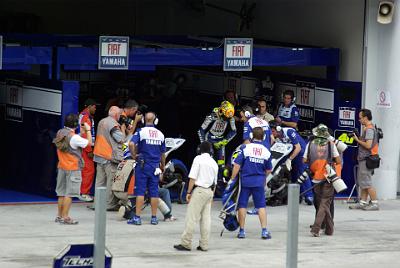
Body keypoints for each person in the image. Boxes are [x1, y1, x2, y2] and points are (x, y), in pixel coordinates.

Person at [228, 127, 273, 239]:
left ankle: (242, 231)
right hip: (258, 182)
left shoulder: (245, 148)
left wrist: (232, 179)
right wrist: (263, 177)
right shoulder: (266, 151)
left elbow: (237, 165)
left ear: (251, 136)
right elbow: (269, 170)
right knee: (261, 206)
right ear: (263, 137)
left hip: (245, 182)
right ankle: (264, 231)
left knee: (242, 205)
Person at [174, 141, 218, 251]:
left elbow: (193, 177)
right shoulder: (214, 163)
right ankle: (204, 244)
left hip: (199, 191)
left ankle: (186, 243)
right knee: (206, 219)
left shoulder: (198, 159)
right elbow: (215, 182)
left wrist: (188, 192)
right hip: (209, 192)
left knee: (191, 217)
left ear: (200, 150)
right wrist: (212, 196)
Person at [127, 112, 166, 225]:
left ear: (143, 120)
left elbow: (131, 144)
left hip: (143, 166)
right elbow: (162, 153)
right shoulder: (160, 134)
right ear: (155, 120)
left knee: (140, 192)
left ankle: (137, 218)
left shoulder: (141, 132)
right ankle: (154, 218)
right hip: (155, 167)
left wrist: (134, 156)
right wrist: (162, 166)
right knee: (154, 193)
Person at [53, 113, 92, 224]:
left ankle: (59, 216)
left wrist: (81, 133)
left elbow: (71, 141)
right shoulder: (74, 137)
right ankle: (66, 217)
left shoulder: (60, 132)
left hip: (62, 166)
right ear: (76, 124)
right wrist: (88, 131)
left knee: (61, 193)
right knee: (70, 194)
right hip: (73, 168)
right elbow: (88, 143)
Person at [303, 124, 341, 237]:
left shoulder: (310, 144)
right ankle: (318, 229)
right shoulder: (331, 144)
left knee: (322, 203)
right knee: (325, 203)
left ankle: (328, 229)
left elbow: (304, 160)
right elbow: (338, 161)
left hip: (315, 178)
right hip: (328, 177)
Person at [269, 120, 314, 205]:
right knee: (292, 174)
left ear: (278, 129)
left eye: (273, 131)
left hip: (301, 152)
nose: (272, 133)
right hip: (290, 153)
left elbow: (298, 148)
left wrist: (289, 159)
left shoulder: (289, 131)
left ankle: (309, 196)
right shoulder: (276, 137)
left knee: (302, 173)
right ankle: (297, 196)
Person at [93, 106, 126, 211]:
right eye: (120, 115)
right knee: (110, 182)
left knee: (99, 182)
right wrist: (123, 130)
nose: (120, 116)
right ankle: (109, 205)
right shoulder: (113, 124)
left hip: (99, 156)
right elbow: (121, 139)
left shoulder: (102, 121)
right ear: (116, 115)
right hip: (109, 157)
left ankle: (97, 204)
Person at [349, 109, 380, 211]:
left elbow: (368, 145)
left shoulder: (369, 130)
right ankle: (362, 202)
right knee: (363, 182)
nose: (359, 120)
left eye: (360, 117)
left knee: (367, 182)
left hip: (367, 159)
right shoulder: (367, 128)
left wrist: (357, 140)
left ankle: (374, 203)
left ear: (366, 118)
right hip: (365, 159)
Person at [198, 100, 237, 168]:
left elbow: (234, 131)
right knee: (209, 162)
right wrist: (204, 144)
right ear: (221, 111)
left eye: (228, 118)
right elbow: (201, 130)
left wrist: (224, 141)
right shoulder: (212, 116)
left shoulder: (230, 117)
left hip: (220, 140)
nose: (226, 119)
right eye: (225, 117)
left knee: (221, 164)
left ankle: (220, 178)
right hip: (209, 139)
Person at [78, 98, 97, 202]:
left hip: (82, 146)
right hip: (85, 148)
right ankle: (84, 193)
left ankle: (82, 192)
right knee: (89, 170)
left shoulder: (83, 115)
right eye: (94, 107)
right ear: (89, 107)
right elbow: (85, 134)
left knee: (84, 170)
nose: (96, 109)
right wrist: (89, 150)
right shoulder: (86, 117)